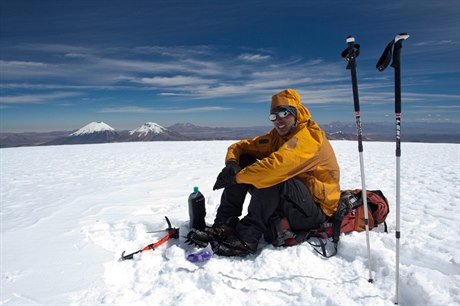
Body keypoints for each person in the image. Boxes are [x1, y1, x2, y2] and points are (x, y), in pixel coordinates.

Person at [187, 88, 341, 256]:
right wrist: (231, 164)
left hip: (314, 211)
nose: (278, 121)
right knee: (245, 158)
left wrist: (236, 178)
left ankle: (247, 238)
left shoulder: (310, 138)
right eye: (274, 116)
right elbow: (241, 147)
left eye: (284, 113)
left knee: (274, 176)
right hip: (292, 200)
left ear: (296, 113)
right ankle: (224, 225)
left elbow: (275, 168)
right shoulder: (277, 137)